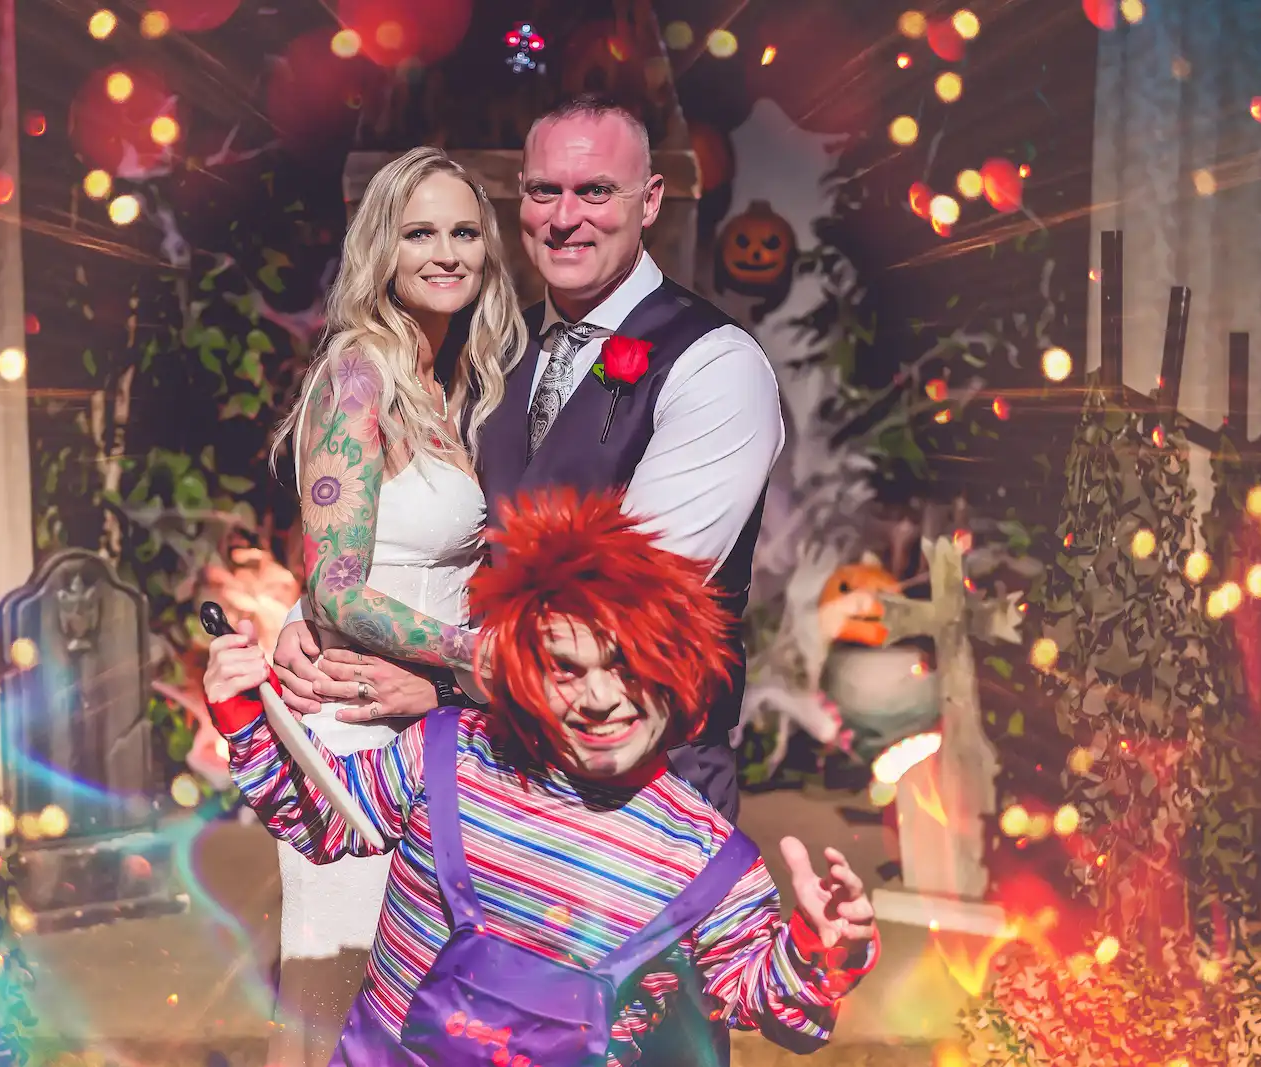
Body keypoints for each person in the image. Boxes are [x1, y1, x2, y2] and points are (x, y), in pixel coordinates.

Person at [203, 490, 877, 1067]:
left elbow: (782, 1014)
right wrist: (243, 710)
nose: (601, 696)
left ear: (678, 670)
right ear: (525, 670)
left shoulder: (704, 857)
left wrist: (821, 950)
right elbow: (316, 818)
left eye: (630, 666)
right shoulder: (449, 753)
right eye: (567, 667)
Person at [272, 93, 783, 828]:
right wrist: (317, 617)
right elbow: (421, 534)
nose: (565, 216)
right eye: (546, 190)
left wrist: (450, 687)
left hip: (647, 794)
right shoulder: (494, 360)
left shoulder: (715, 366)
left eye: (596, 190)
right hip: (493, 777)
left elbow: (621, 611)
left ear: (651, 201)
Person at [261, 145, 526, 1066]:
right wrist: (480, 658)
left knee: (426, 1007)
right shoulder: (360, 375)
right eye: (420, 233)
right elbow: (337, 585)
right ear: (384, 248)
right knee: (349, 1011)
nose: (446, 253)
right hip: (358, 737)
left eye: (463, 232)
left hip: (427, 726)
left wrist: (458, 687)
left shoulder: (453, 379)